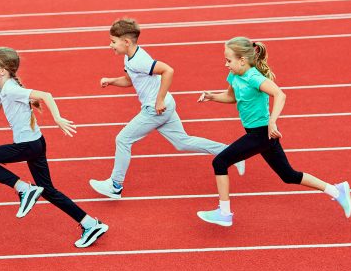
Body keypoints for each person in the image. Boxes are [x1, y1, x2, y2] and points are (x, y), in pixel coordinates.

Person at [196, 36, 351, 227]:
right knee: (288, 175)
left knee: (220, 161)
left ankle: (225, 213)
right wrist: (211, 97)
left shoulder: (254, 77)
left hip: (261, 133)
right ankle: (337, 191)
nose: (225, 64)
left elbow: (280, 94)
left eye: (229, 60)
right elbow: (231, 97)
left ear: (242, 60)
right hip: (261, 135)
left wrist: (272, 122)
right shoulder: (235, 76)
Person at [89, 18, 245, 199]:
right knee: (182, 142)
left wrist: (159, 100)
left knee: (123, 139)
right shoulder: (129, 58)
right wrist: (111, 81)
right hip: (166, 106)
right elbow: (130, 81)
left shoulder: (140, 60)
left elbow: (168, 70)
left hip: (155, 110)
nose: (110, 45)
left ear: (126, 42)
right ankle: (233, 153)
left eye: (113, 42)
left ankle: (115, 185)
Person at [0, 47, 108, 248]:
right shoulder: (0, 87)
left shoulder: (10, 88)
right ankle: (90, 224)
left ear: (3, 70)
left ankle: (24, 189)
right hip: (36, 143)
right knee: (49, 191)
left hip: (28, 145)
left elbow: (46, 95)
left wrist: (57, 118)